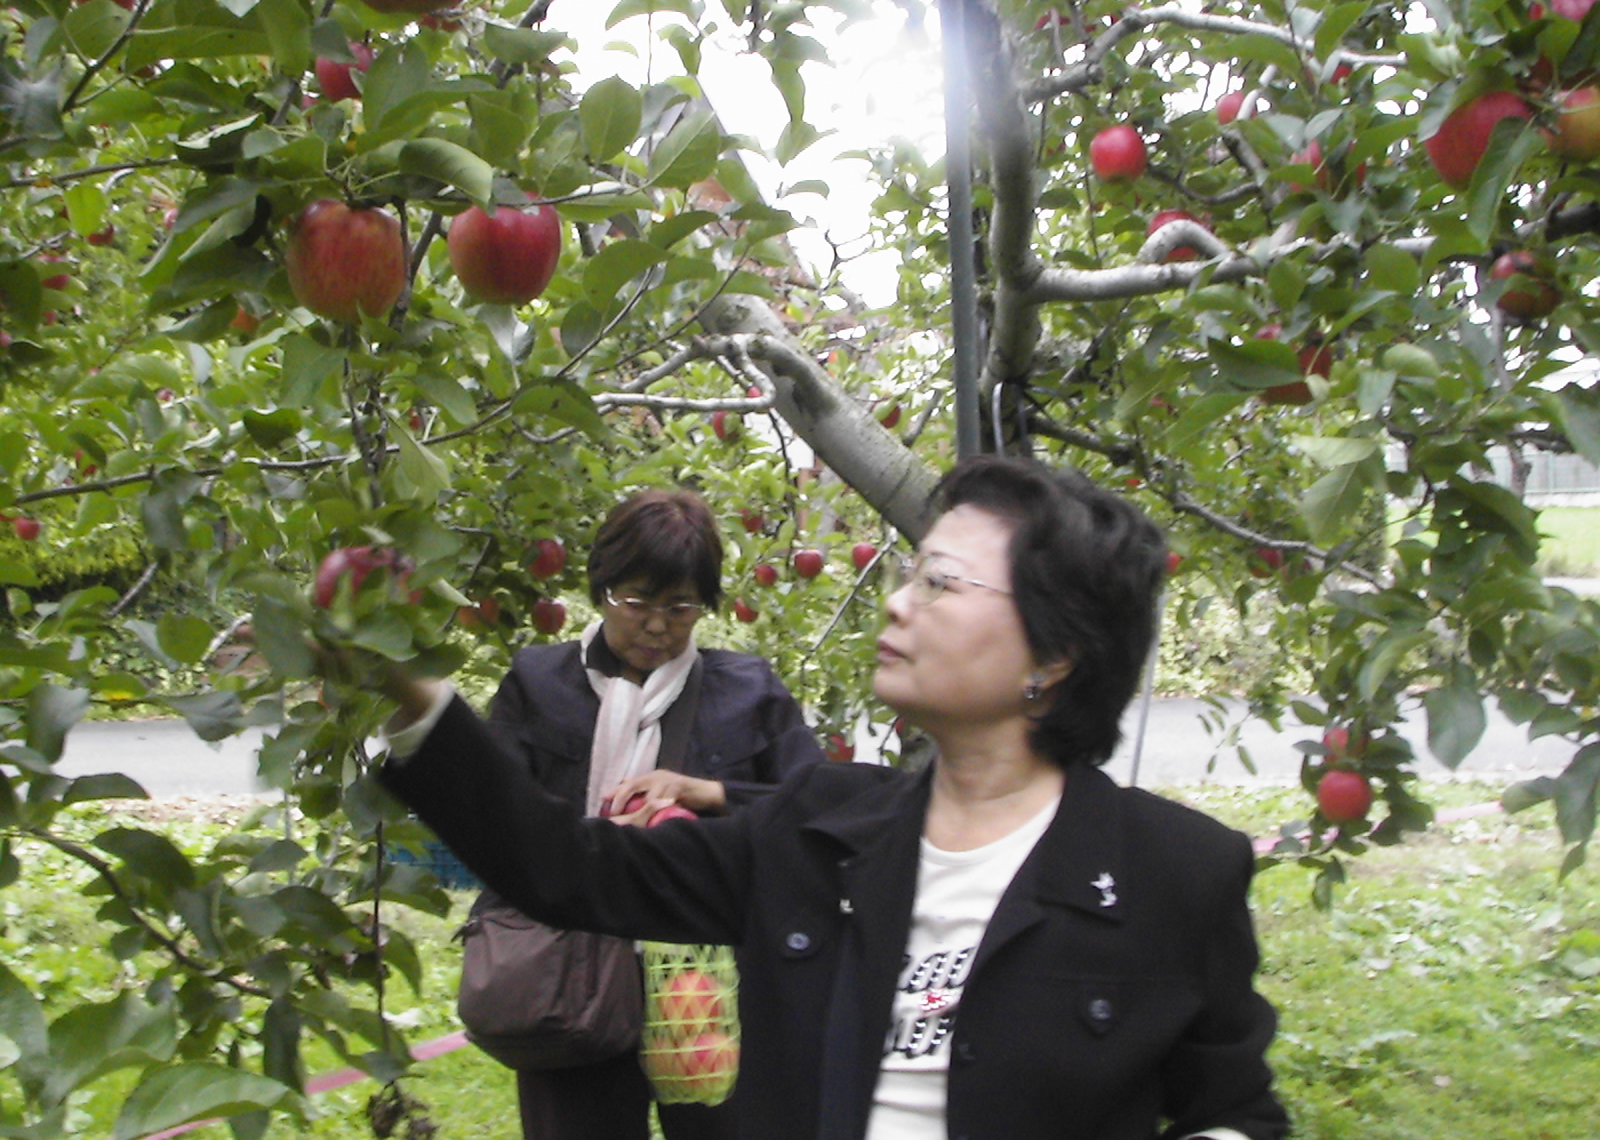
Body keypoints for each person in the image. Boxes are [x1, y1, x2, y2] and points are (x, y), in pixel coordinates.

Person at [374, 456, 1288, 1140]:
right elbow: (570, 869)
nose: (897, 604)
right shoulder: (817, 829)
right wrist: (407, 694)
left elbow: (1233, 1107)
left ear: (1053, 657)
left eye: (940, 583)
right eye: (909, 573)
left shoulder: (1177, 874)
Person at [467, 488, 821, 1140]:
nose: (657, 625)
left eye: (680, 607)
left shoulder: (747, 693)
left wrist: (708, 794)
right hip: (572, 979)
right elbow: (495, 826)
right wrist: (596, 843)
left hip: (707, 988)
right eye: (637, 603)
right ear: (601, 589)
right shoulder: (539, 684)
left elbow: (815, 816)